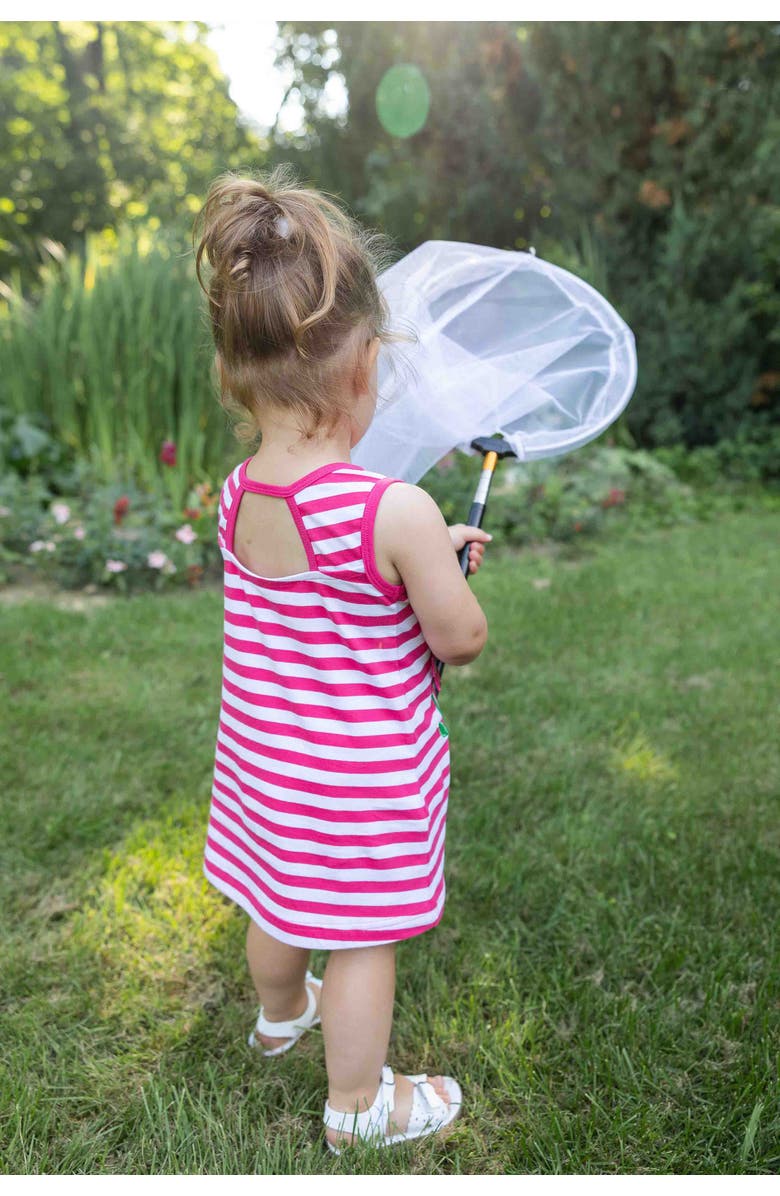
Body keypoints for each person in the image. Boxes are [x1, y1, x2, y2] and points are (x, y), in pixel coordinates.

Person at [194, 165, 491, 1153]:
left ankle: (281, 1016)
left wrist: (422, 555)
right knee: (364, 934)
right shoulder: (392, 508)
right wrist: (440, 562)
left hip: (270, 767)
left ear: (241, 372)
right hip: (358, 780)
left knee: (278, 897)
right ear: (363, 366)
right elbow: (459, 636)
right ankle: (358, 1103)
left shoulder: (239, 492)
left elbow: (325, 597)